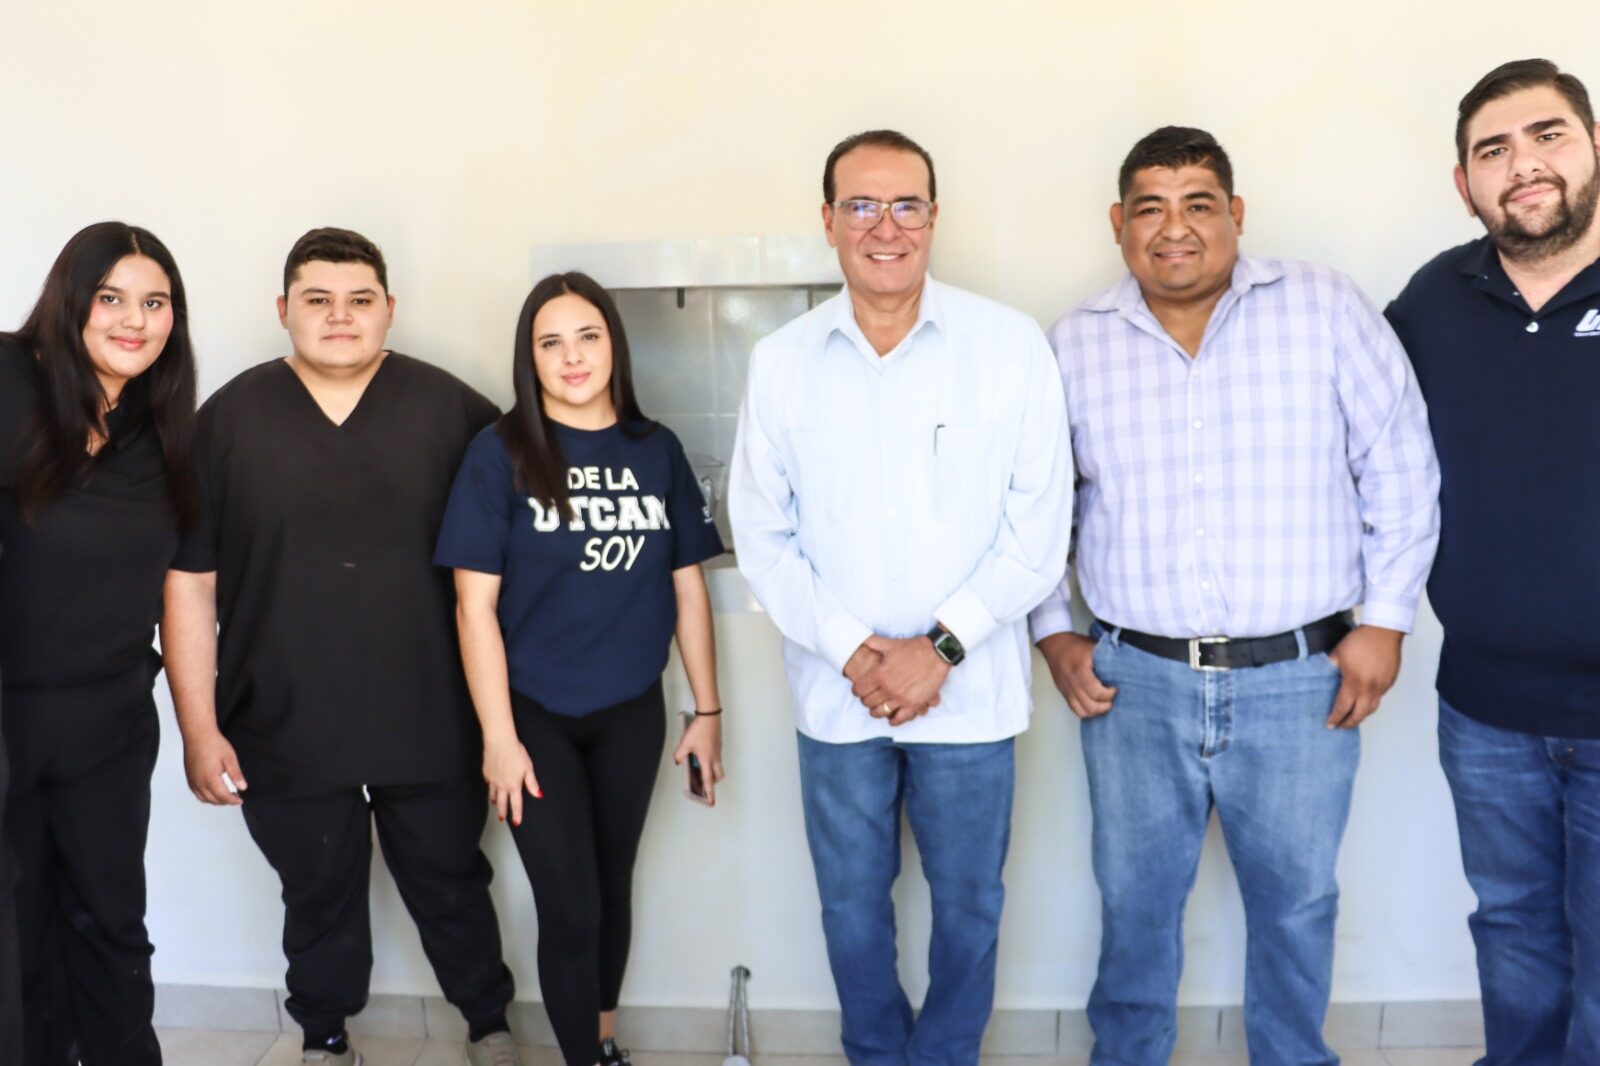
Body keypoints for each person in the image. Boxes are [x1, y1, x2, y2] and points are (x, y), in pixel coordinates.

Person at [1031, 127, 1440, 1065]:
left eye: (1198, 203)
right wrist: (1055, 634)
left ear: (1236, 214)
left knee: (1298, 906)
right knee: (1134, 908)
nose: (1175, 228)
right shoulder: (1073, 344)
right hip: (1134, 681)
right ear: (1118, 224)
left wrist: (1384, 622)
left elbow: (1401, 470)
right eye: (1150, 207)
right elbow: (1038, 507)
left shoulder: (1324, 307)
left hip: (1301, 679)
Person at [729, 129, 1071, 1064]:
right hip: (836, 703)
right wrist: (851, 649)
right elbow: (762, 532)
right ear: (829, 221)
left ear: (935, 217)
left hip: (971, 699)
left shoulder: (1007, 347)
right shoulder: (782, 360)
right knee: (849, 910)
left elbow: (1038, 532)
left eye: (907, 204)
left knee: (970, 907)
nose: (887, 226)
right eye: (863, 206)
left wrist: (939, 650)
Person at [162, 228, 521, 1066]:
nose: (340, 317)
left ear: (389, 310)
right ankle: (324, 1038)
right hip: (283, 718)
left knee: (451, 883)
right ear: (284, 310)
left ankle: (489, 1026)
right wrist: (199, 725)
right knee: (317, 893)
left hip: (430, 713)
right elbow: (189, 583)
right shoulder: (228, 421)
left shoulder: (455, 413)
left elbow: (520, 557)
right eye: (317, 300)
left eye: (360, 300)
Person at [436, 271, 725, 1066]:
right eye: (550, 342)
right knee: (568, 904)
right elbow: (474, 610)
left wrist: (707, 711)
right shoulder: (498, 456)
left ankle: (599, 1043)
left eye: (587, 337)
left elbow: (686, 586)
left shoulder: (655, 450)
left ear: (613, 345)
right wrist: (498, 736)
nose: (571, 358)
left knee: (610, 886)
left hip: (631, 709)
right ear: (529, 358)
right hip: (533, 716)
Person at [1386, 58, 1600, 1065]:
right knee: (1512, 931)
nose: (1523, 164)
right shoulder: (1431, 303)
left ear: (1593, 146)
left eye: (1547, 134)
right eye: (1493, 149)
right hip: (1482, 709)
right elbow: (1360, 457)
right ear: (1464, 181)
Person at [0, 221, 200, 1064]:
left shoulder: (165, 430)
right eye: (112, 297)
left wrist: (202, 729)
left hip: (111, 719)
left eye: (155, 303)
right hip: (6, 714)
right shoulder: (8, 378)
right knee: (14, 931)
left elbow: (182, 586)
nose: (134, 320)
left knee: (111, 917)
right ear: (71, 301)